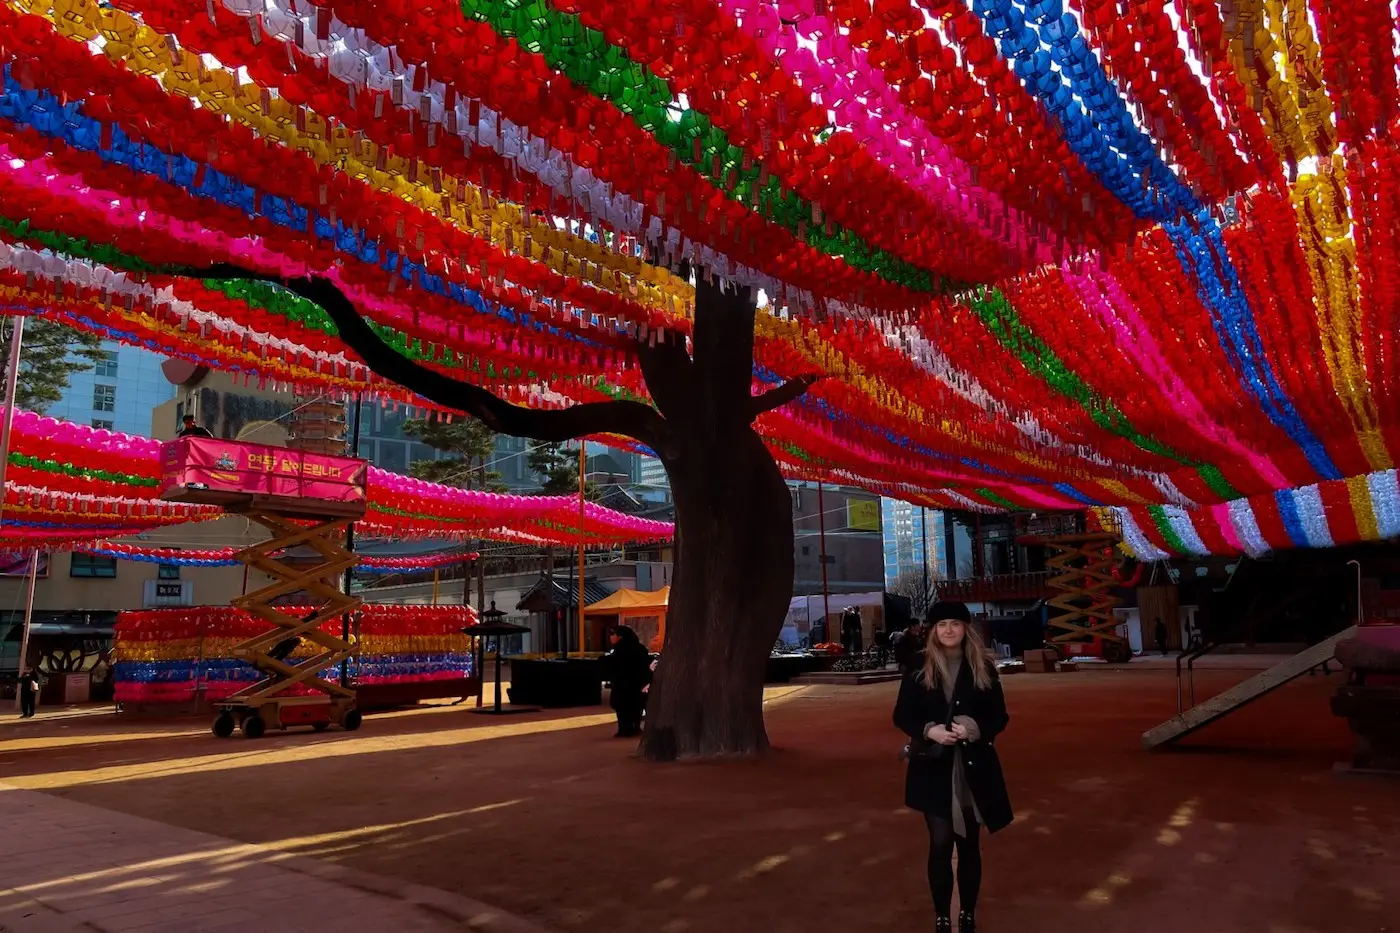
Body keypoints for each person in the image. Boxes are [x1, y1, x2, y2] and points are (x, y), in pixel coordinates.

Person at [894, 601, 1012, 933]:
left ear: (966, 628)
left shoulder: (983, 667)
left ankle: (968, 913)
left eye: (955, 624)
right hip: (933, 769)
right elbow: (902, 713)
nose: (948, 630)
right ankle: (942, 915)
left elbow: (999, 716)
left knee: (969, 843)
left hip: (974, 767)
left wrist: (974, 728)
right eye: (941, 624)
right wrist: (928, 730)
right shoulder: (919, 665)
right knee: (941, 841)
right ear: (932, 630)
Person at [603, 625, 652, 738]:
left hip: (623, 685)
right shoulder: (640, 649)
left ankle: (625, 729)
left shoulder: (620, 650)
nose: (610, 637)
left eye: (612, 634)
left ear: (620, 637)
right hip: (638, 684)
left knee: (622, 706)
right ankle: (634, 727)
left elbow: (614, 667)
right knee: (636, 705)